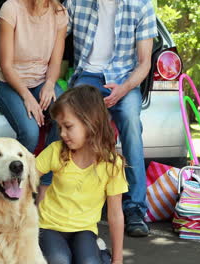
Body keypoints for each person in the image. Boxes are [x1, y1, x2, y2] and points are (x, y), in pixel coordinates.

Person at [63, 0, 158, 237]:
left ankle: (135, 209)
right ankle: (65, 199)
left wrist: (123, 89)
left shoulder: (142, 5)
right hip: (88, 75)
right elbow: (50, 31)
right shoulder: (76, 2)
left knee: (130, 122)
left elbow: (145, 62)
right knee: (69, 121)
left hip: (126, 77)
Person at [36, 85, 128, 264]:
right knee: (59, 260)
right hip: (48, 227)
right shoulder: (55, 151)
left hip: (84, 230)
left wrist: (117, 260)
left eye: (68, 126)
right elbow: (25, 178)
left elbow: (116, 214)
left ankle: (102, 255)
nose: (62, 134)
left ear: (90, 122)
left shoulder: (112, 165)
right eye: (60, 127)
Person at [0, 0, 68, 193]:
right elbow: (6, 65)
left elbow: (55, 62)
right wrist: (27, 97)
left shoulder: (59, 13)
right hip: (9, 82)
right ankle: (10, 185)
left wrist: (50, 84)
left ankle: (45, 186)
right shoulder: (11, 8)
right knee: (30, 132)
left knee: (65, 118)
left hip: (42, 80)